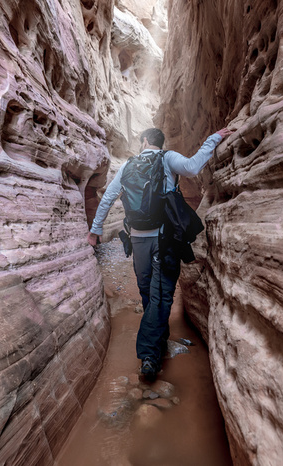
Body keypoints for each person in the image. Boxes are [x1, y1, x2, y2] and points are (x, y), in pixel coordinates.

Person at [87, 126, 235, 380]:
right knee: (162, 293)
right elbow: (192, 167)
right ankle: (149, 355)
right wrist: (214, 138)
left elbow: (109, 197)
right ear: (160, 142)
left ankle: (156, 338)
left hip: (137, 239)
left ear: (144, 141)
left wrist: (95, 230)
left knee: (147, 290)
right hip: (164, 238)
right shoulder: (167, 158)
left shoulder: (128, 165)